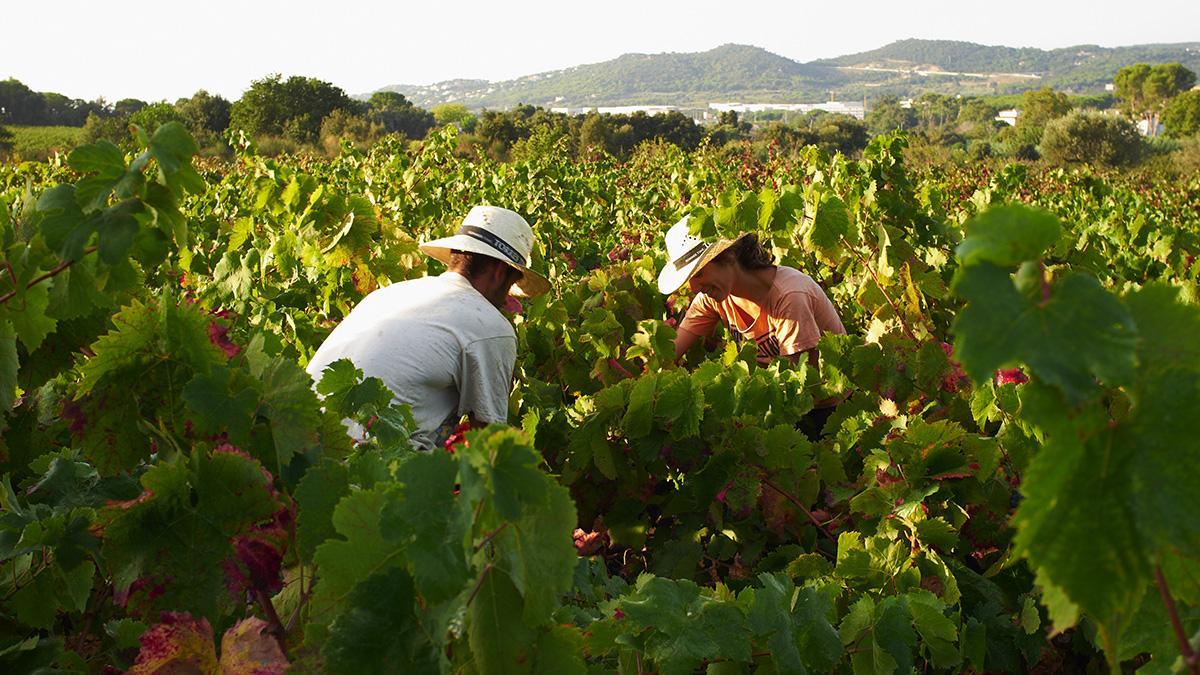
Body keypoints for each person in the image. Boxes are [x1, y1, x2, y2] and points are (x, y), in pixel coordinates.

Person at [306, 205, 549, 450]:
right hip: (367, 462)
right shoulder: (490, 325)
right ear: (499, 272)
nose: (506, 299)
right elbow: (488, 442)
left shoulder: (389, 294)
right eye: (511, 284)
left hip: (304, 444)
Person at [657, 216, 846, 435]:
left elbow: (793, 385)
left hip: (823, 408)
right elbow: (671, 352)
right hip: (771, 399)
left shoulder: (789, 296)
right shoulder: (714, 298)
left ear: (728, 256)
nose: (694, 287)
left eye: (699, 273)